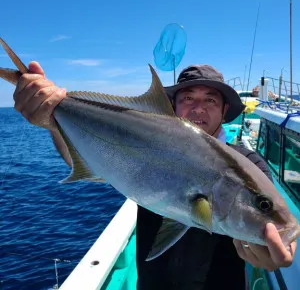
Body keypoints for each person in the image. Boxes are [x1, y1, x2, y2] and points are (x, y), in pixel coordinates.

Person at [13, 61, 297, 290]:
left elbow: (264, 205)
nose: (198, 107)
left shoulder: (247, 162)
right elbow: (89, 162)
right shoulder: (146, 140)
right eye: (188, 98)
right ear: (173, 107)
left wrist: (258, 243)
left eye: (210, 100)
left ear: (224, 112)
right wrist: (52, 120)